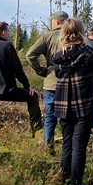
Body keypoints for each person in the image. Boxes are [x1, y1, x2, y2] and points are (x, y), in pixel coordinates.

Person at [51, 18, 93, 185]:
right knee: (79, 145)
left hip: (62, 103)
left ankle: (65, 178)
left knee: (67, 143)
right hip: (84, 103)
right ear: (80, 31)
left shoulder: (58, 56)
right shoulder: (88, 52)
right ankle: (76, 184)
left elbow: (58, 75)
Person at [26, 10, 68, 154]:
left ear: (56, 21)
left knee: (50, 117)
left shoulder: (47, 36)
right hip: (69, 83)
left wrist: (42, 71)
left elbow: (30, 55)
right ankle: (66, 149)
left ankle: (48, 148)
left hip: (51, 81)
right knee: (67, 118)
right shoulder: (74, 36)